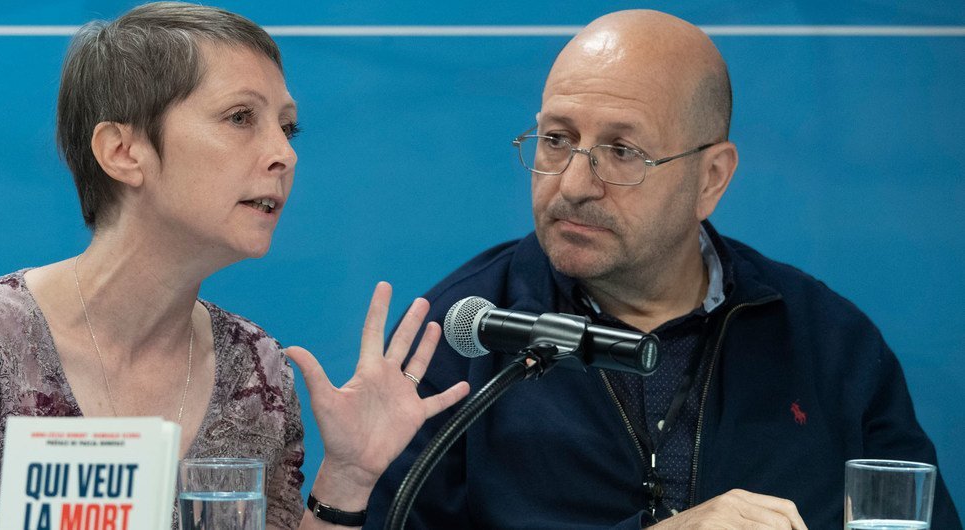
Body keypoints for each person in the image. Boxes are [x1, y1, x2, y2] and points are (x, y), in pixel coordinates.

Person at [0, 3, 469, 529]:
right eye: (241, 117)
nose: (284, 154)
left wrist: (349, 477)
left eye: (288, 128)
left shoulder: (257, 370)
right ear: (123, 151)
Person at [365, 9, 961, 530]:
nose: (573, 184)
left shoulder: (829, 343)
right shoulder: (462, 335)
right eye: (555, 139)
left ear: (712, 179)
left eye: (622, 152)